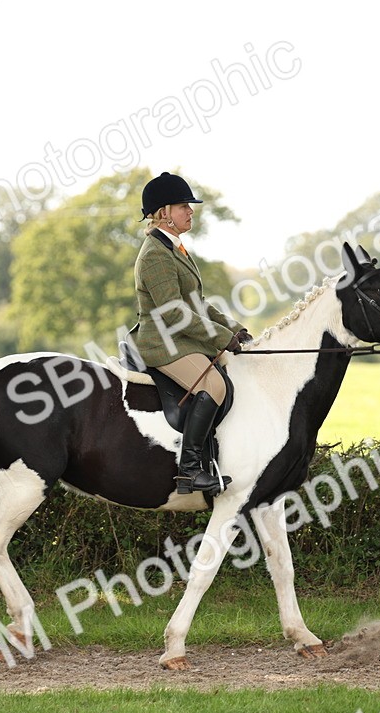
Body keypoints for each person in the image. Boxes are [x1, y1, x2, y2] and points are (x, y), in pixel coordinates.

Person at [128, 171, 251, 496]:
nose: (191, 211)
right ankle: (190, 470)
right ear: (164, 213)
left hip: (183, 339)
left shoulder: (175, 249)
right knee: (213, 384)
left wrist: (234, 329)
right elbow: (172, 312)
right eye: (184, 205)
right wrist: (219, 338)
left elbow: (198, 303)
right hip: (163, 344)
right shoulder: (155, 255)